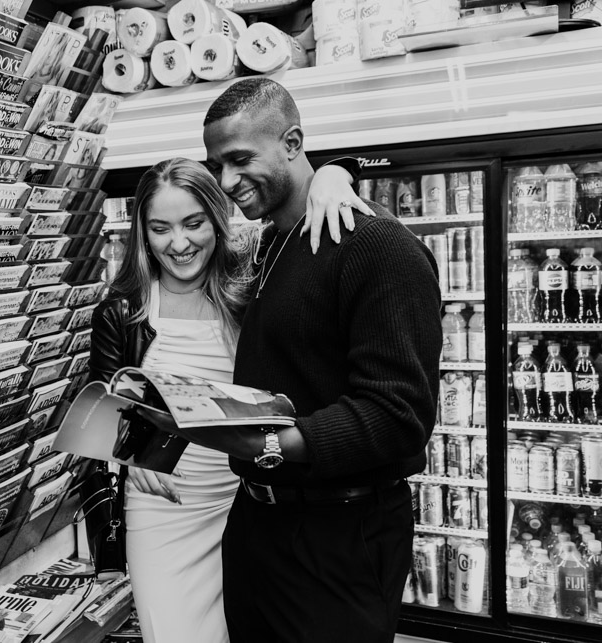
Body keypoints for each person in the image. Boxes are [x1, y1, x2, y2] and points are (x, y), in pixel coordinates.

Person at [139, 78, 441, 642]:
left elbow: (399, 414)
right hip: (257, 523)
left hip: (340, 534)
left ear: (293, 143)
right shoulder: (274, 243)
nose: (227, 182)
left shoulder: (381, 248)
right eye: (216, 166)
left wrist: (272, 443)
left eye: (239, 160)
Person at [88, 156, 365, 643]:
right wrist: (129, 450)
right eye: (160, 228)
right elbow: (102, 401)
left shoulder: (252, 283)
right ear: (143, 233)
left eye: (193, 223)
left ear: (217, 219)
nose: (179, 243)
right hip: (163, 508)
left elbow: (308, 183)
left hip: (251, 502)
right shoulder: (124, 309)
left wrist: (334, 174)